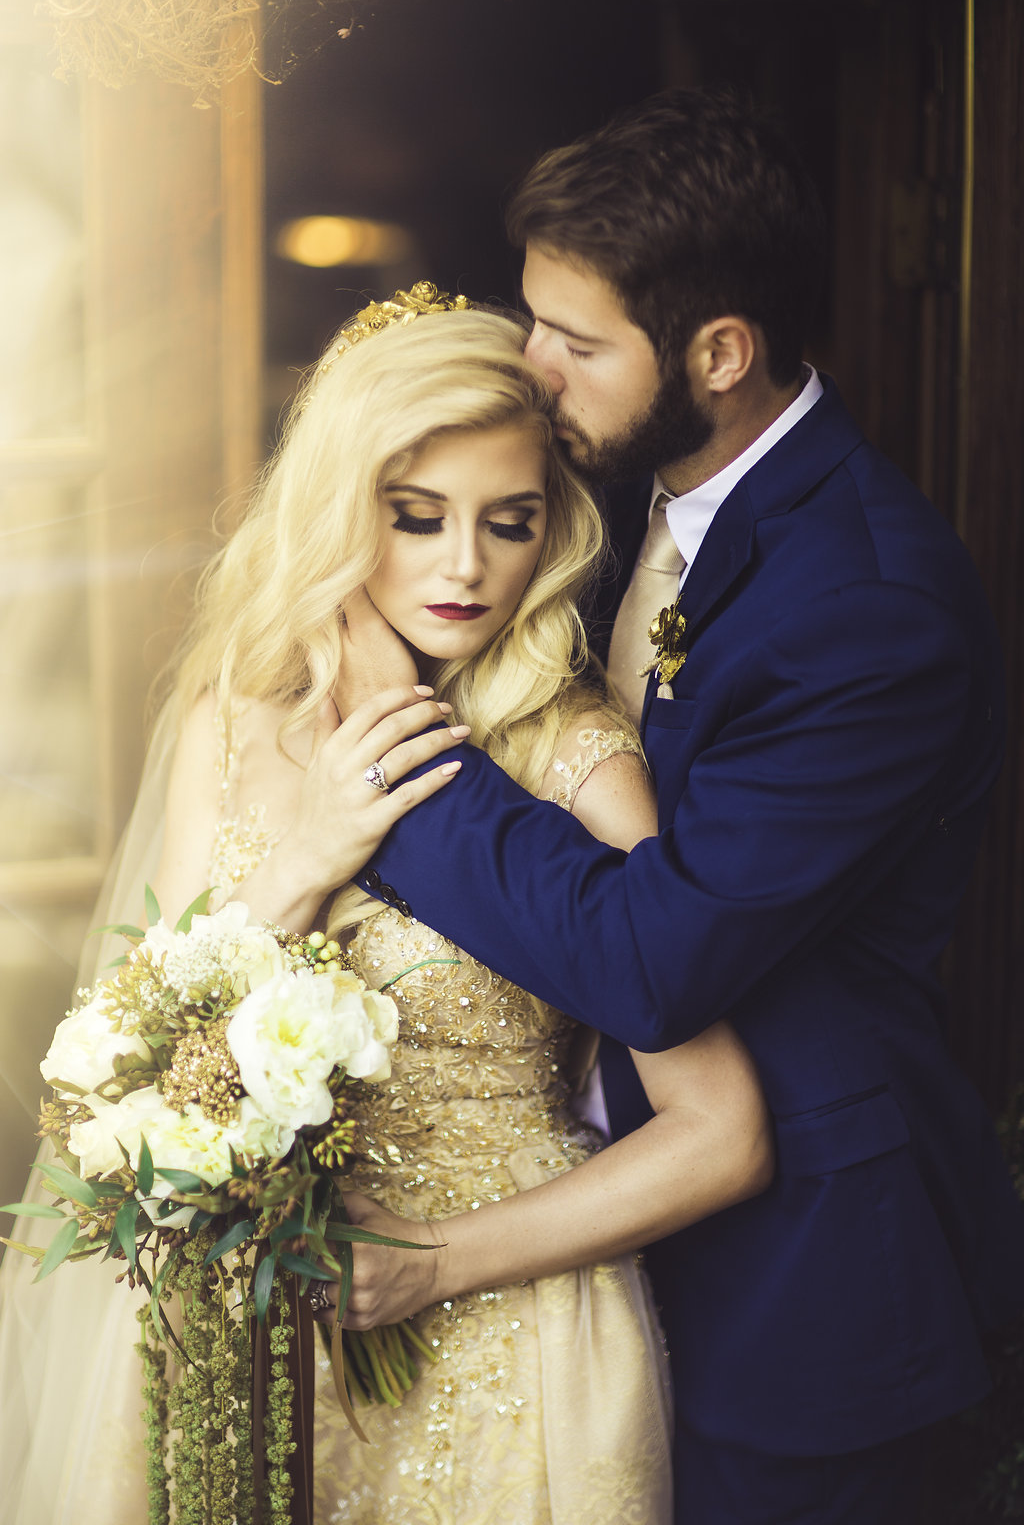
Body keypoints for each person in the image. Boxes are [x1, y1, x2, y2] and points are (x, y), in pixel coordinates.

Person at [310, 93, 1024, 1524]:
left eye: (575, 344)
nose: (534, 370)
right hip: (597, 1258)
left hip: (801, 1287)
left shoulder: (870, 607)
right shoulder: (624, 487)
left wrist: (394, 743)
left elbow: (659, 956)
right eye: (534, 320)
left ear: (719, 355)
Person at [0, 288, 774, 1525]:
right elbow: (129, 1063)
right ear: (343, 513)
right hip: (251, 1325)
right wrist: (308, 854)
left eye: (508, 523)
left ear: (552, 531)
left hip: (512, 1341)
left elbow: (723, 1132)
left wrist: (434, 1265)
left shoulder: (578, 758)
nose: (464, 568)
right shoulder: (235, 725)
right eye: (416, 520)